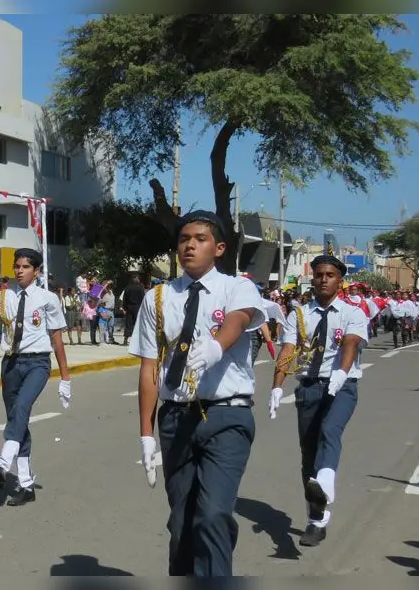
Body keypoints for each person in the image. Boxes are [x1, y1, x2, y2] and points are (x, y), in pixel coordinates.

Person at [131, 210, 264, 577]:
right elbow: (148, 367)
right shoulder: (158, 298)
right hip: (175, 418)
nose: (189, 245)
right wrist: (146, 433)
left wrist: (216, 348)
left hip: (227, 415)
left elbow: (238, 320)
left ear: (219, 247)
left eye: (200, 238)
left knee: (214, 516)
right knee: (182, 524)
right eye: (183, 239)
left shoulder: (237, 287)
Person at [0, 248, 72, 507]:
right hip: (10, 363)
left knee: (22, 407)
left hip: (37, 363)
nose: (19, 270)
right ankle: (26, 483)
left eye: (25, 267)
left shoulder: (48, 299)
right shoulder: (4, 296)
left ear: (37, 271)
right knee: (17, 419)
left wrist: (65, 377)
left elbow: (56, 339)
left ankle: (3, 461)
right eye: (17, 266)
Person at [269, 255, 367, 547]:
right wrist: (277, 386)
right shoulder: (299, 314)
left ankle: (323, 493)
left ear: (340, 280)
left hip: (342, 386)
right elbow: (288, 349)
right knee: (308, 454)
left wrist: (341, 372)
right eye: (319, 274)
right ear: (312, 278)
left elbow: (350, 342)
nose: (324, 279)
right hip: (309, 388)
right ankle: (317, 513)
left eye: (330, 274)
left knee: (330, 431)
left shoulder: (353, 312)